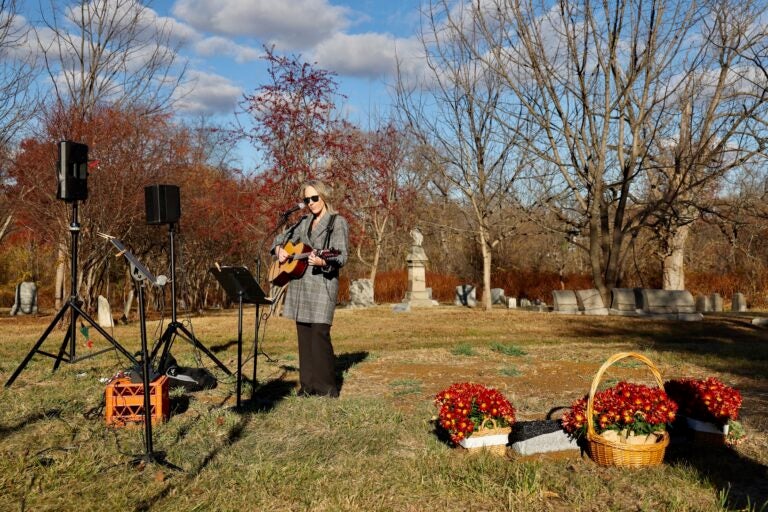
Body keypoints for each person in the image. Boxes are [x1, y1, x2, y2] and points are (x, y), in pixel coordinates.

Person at [271, 180, 348, 397]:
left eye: (315, 198)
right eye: (307, 199)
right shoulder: (303, 222)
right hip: (300, 285)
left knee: (319, 335)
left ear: (324, 196)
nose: (311, 202)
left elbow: (342, 255)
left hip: (323, 285)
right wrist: (279, 250)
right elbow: (279, 239)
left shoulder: (337, 222)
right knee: (304, 336)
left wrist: (324, 262)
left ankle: (326, 388)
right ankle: (307, 387)